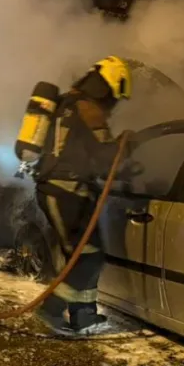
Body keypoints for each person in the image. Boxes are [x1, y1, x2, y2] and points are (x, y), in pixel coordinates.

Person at [33, 56, 132, 336]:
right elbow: (105, 157)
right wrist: (126, 145)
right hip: (65, 192)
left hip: (64, 189)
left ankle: (83, 315)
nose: (114, 104)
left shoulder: (67, 103)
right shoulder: (90, 110)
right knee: (87, 256)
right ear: (109, 87)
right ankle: (50, 308)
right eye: (115, 97)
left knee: (86, 252)